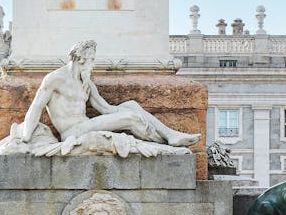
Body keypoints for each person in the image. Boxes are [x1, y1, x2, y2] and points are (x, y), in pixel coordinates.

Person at [15, 40, 201, 148]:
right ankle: (166, 143)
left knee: (131, 106)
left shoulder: (85, 82)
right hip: (72, 132)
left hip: (86, 125)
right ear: (80, 59)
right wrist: (25, 137)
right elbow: (36, 107)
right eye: (92, 60)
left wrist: (126, 110)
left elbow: (105, 108)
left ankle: (170, 135)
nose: (93, 65)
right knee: (130, 118)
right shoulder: (55, 79)